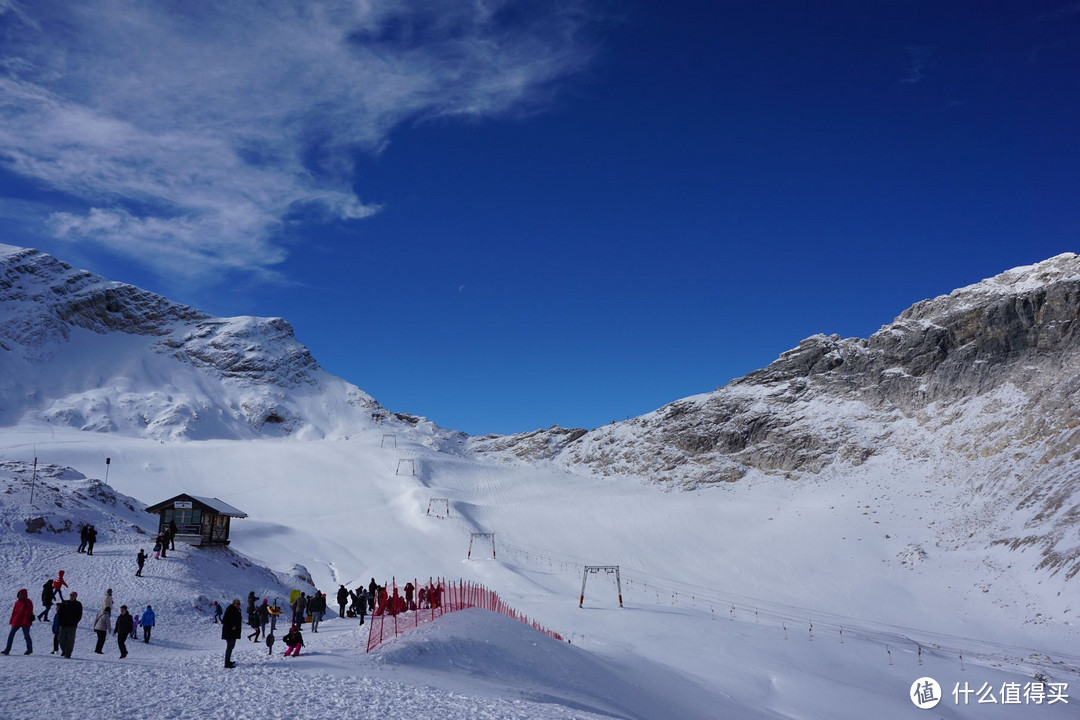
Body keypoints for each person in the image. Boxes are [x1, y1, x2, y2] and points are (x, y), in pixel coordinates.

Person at [2, 589, 34, 656]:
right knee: (11, 635)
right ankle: (7, 649)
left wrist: (26, 621)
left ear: (25, 595)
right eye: (20, 594)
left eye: (22, 594)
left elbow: (28, 613)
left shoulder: (28, 602)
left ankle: (29, 649)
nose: (21, 596)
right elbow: (14, 612)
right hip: (17, 620)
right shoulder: (17, 602)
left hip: (25, 621)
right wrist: (12, 620)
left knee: (26, 636)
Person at [56, 591, 83, 658]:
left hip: (72, 625)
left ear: (75, 597)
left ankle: (68, 653)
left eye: (73, 596)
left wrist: (75, 622)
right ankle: (64, 650)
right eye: (71, 595)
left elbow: (79, 615)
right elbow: (60, 612)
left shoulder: (78, 604)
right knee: (60, 638)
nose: (71, 596)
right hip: (63, 624)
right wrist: (60, 621)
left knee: (70, 640)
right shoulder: (65, 603)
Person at [222, 598, 242, 668]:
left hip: (233, 632)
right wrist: (231, 626)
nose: (239, 605)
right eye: (238, 604)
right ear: (234, 604)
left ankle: (228, 661)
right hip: (229, 632)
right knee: (230, 647)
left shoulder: (236, 610)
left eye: (239, 603)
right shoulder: (230, 609)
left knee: (231, 646)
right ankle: (226, 664)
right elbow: (224, 620)